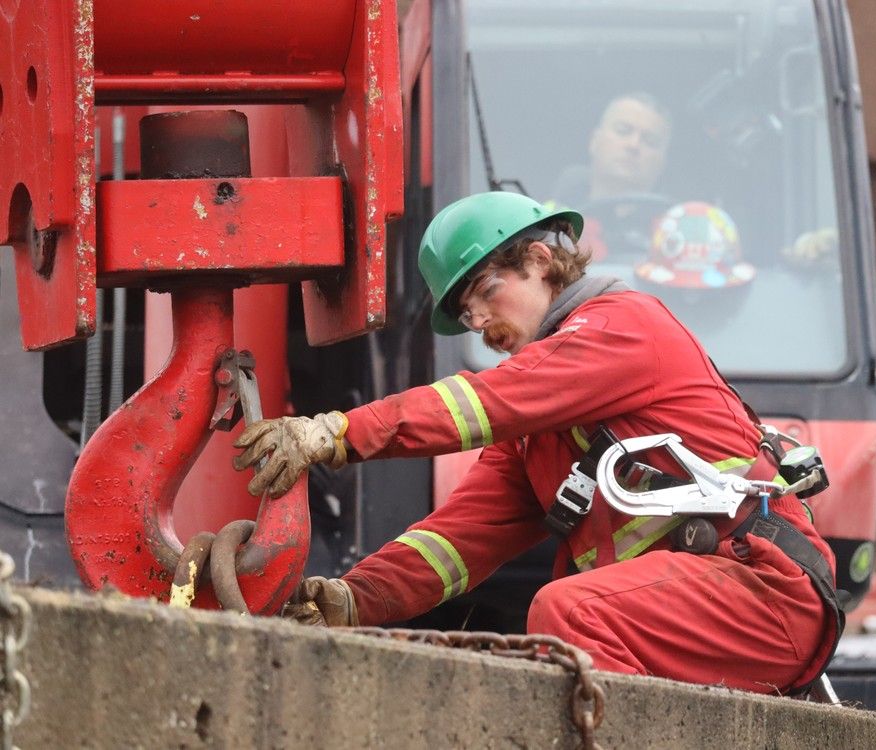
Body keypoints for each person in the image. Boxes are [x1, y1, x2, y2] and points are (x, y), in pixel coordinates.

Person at [232, 191, 842, 694]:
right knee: (560, 627)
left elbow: (485, 403)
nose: (481, 325)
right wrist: (352, 598)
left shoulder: (623, 327)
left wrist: (335, 433)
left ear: (540, 259)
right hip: (700, 606)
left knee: (569, 614)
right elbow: (456, 542)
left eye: (484, 295)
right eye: (465, 315)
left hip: (762, 592)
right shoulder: (538, 434)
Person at [550, 93, 672, 261]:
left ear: (662, 162)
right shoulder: (548, 224)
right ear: (595, 140)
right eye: (623, 131)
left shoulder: (673, 239)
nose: (634, 145)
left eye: (649, 141)